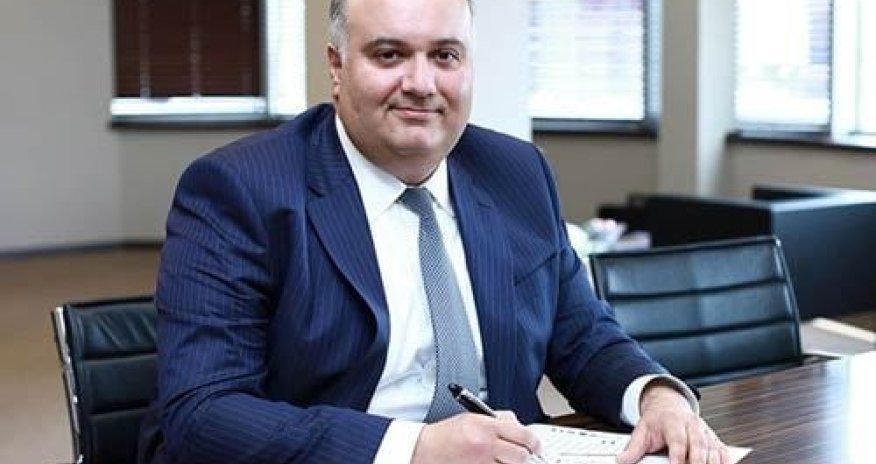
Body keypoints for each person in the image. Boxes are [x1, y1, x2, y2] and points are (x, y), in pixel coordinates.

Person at [137, 0, 730, 463]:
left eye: (445, 55)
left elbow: (582, 335)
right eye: (389, 55)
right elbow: (203, 412)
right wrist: (412, 450)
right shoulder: (239, 189)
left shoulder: (516, 173)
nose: (421, 83)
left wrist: (654, 395)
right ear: (337, 67)